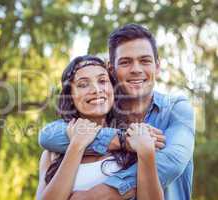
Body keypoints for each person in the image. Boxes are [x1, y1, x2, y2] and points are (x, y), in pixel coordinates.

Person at [39, 24, 195, 200]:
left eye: (145, 60)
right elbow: (47, 135)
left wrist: (106, 192)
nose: (136, 69)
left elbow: (171, 162)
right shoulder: (106, 113)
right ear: (112, 70)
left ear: (157, 66)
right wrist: (121, 139)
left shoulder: (176, 109)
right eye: (125, 62)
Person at [36, 55, 165, 200]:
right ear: (70, 96)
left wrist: (146, 152)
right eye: (83, 84)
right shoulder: (52, 154)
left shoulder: (133, 141)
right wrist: (76, 146)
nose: (96, 90)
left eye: (102, 81)